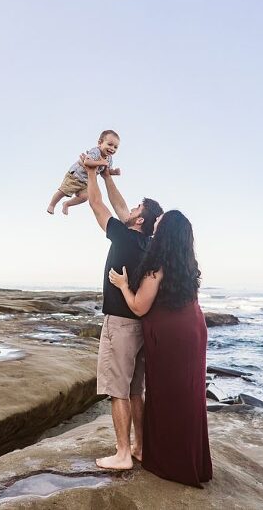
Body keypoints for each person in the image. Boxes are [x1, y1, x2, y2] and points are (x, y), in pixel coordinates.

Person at [109, 210, 212, 487]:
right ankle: (193, 460)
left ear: (165, 233)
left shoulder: (157, 267)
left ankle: (172, 462)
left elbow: (139, 306)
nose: (156, 222)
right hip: (193, 329)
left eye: (160, 221)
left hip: (170, 335)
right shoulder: (187, 265)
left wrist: (121, 285)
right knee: (189, 393)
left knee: (167, 394)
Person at [83, 155, 163, 470]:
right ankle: (139, 447)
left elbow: (97, 205)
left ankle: (122, 454)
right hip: (141, 325)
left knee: (118, 390)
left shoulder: (124, 236)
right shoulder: (147, 244)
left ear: (139, 221)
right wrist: (107, 176)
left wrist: (91, 175)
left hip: (120, 324)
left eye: (135, 210)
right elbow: (120, 207)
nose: (129, 211)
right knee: (135, 391)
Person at [47, 130, 122, 215]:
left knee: (85, 197)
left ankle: (67, 204)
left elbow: (106, 171)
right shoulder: (95, 151)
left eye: (115, 147)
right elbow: (87, 162)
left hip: (86, 182)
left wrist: (114, 172)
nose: (112, 148)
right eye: (110, 144)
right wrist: (101, 162)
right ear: (100, 143)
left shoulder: (109, 159)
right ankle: (52, 205)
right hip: (75, 176)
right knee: (63, 191)